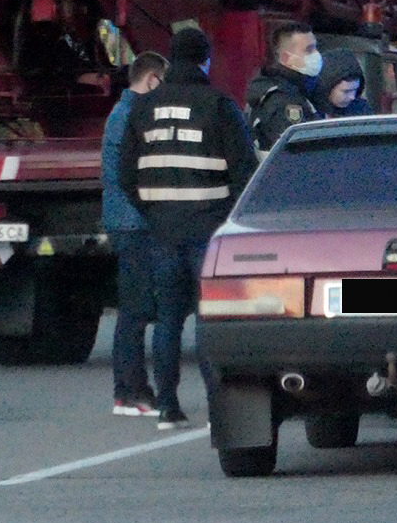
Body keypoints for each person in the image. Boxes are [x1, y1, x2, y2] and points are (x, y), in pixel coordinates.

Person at [120, 28, 257, 430]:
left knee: (167, 319)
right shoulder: (218, 105)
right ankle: (218, 407)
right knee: (209, 319)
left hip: (162, 230)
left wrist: (152, 211)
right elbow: (244, 171)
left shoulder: (143, 108)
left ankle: (167, 406)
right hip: (209, 230)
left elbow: (126, 174)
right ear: (205, 60)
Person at [103, 51, 167, 417]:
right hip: (135, 223)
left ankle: (130, 391)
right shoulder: (133, 116)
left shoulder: (122, 113)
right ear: (152, 80)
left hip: (126, 221)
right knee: (137, 311)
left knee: (135, 310)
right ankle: (131, 392)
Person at [246, 21, 321, 153]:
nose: (317, 54)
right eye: (309, 50)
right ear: (286, 58)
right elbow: (298, 152)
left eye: (316, 48)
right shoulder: (282, 100)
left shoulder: (298, 88)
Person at [313, 48, 372, 118]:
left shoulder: (361, 109)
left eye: (355, 90)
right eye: (346, 91)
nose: (352, 97)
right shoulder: (309, 110)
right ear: (327, 88)